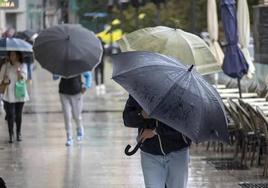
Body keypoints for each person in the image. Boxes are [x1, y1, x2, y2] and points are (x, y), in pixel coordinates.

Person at [123, 95, 191, 188]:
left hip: (178, 151)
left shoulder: (181, 93)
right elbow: (127, 119)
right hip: (150, 153)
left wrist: (156, 131)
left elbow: (185, 123)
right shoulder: (139, 89)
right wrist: (142, 114)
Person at [53, 72, 92, 146]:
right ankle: (69, 137)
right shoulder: (61, 64)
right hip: (63, 93)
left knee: (76, 115)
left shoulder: (78, 62)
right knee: (67, 116)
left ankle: (79, 128)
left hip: (77, 93)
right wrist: (58, 73)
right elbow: (54, 77)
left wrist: (86, 86)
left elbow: (88, 75)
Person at [0, 51, 29, 143]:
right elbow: (1, 79)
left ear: (18, 56)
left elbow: (24, 79)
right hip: (8, 94)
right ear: (9, 56)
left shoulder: (22, 65)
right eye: (11, 55)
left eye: (15, 55)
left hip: (19, 93)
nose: (13, 56)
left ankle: (18, 132)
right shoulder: (5, 66)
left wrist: (19, 72)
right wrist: (4, 78)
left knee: (18, 115)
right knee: (10, 115)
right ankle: (11, 134)